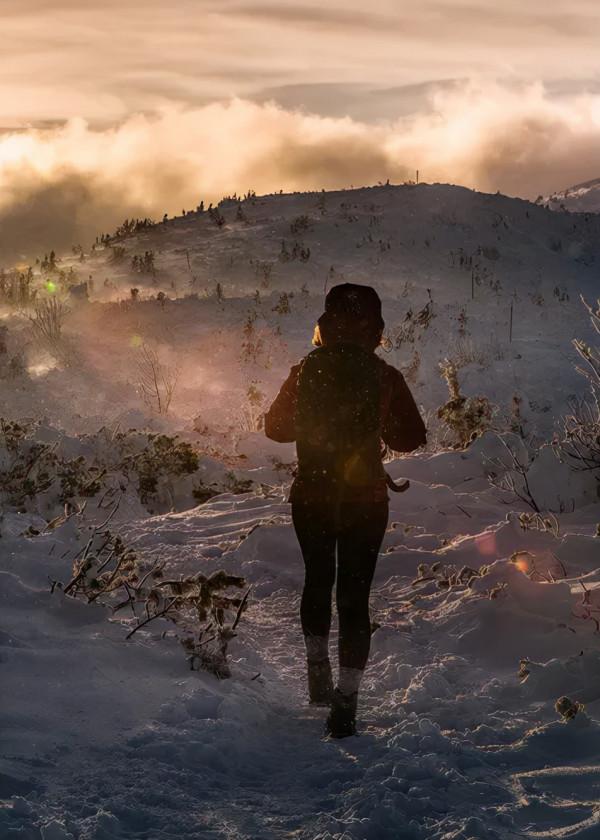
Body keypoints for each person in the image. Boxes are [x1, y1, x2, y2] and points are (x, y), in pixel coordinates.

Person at [265, 283, 426, 737]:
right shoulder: (384, 375)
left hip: (312, 496)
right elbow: (411, 437)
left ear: (326, 324)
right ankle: (347, 700)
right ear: (374, 329)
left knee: (318, 581)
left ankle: (318, 677)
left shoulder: (304, 371)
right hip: (365, 500)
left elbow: (275, 430)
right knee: (354, 599)